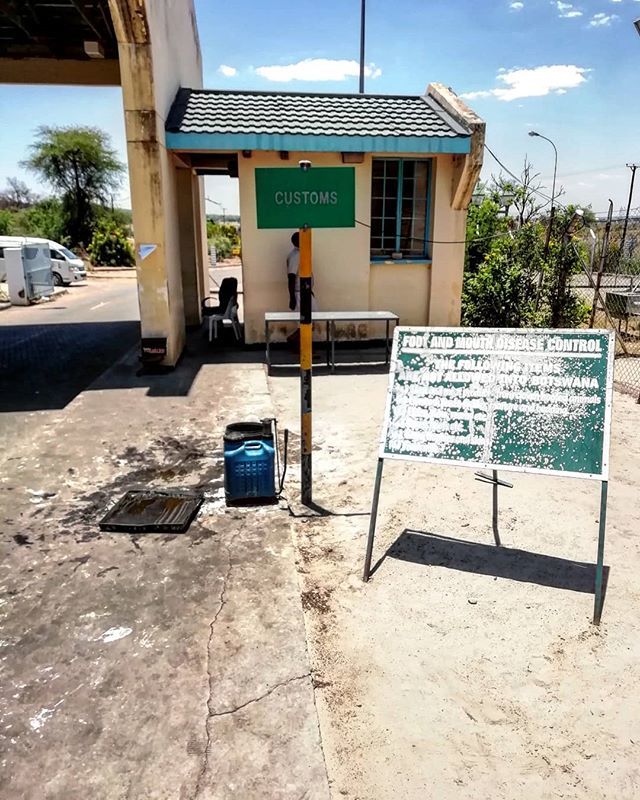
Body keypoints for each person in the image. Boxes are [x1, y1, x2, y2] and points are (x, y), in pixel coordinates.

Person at [286, 232, 318, 312]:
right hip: (299, 294)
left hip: (306, 292)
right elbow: (291, 277)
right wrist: (292, 298)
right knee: (303, 322)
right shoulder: (295, 256)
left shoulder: (302, 253)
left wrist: (309, 290)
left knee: (315, 319)